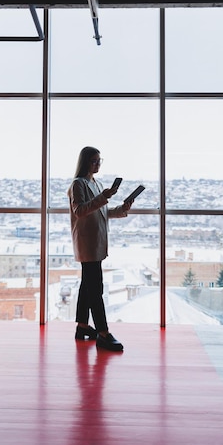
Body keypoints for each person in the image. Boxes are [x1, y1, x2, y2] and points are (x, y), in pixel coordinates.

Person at [68, 146, 133, 351]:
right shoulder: (78, 185)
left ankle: (83, 326)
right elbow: (80, 211)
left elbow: (101, 211)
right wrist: (103, 197)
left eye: (99, 160)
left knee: (88, 286)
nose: (97, 164)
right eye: (94, 160)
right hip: (88, 241)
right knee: (95, 288)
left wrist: (122, 209)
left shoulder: (97, 184)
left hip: (96, 241)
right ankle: (103, 332)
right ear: (85, 161)